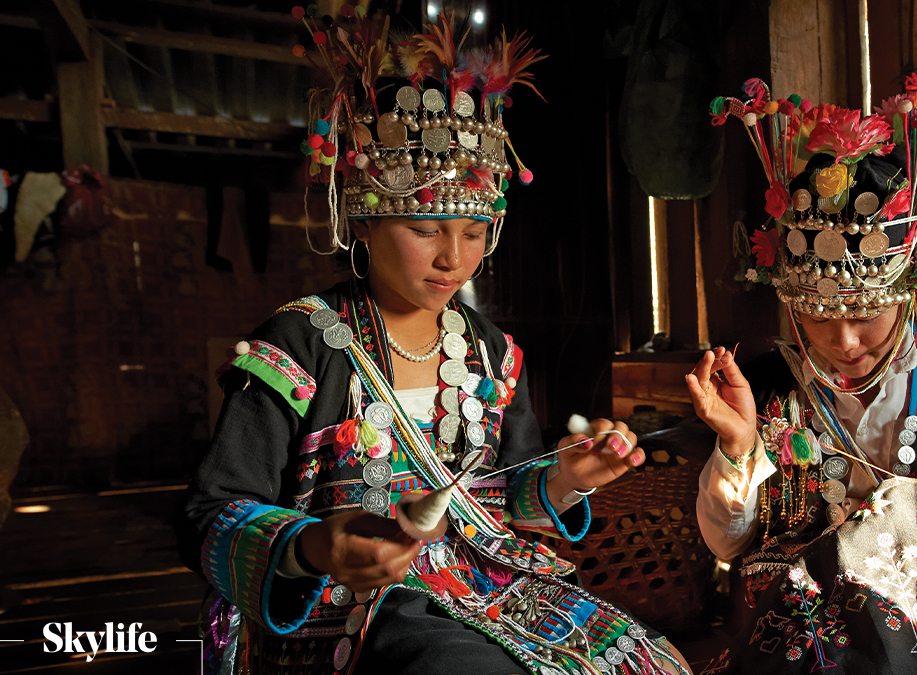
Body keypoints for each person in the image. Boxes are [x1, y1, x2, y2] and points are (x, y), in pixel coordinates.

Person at [177, 12, 688, 675]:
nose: (453, 258)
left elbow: (505, 500)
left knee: (650, 664)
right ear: (362, 220)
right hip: (352, 602)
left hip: (487, 585)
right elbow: (208, 513)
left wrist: (564, 480)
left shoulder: (493, 353)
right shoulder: (300, 341)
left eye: (473, 233)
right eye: (425, 227)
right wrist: (312, 547)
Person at [685, 69, 917, 672]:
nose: (844, 340)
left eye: (865, 311)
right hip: (801, 643)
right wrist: (739, 446)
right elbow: (727, 543)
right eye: (818, 316)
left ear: (909, 292)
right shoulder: (767, 391)